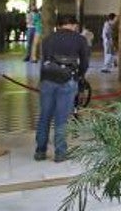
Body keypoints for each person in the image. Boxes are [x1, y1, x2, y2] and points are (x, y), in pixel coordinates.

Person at [34, 13, 90, 163]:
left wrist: (42, 80)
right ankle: (60, 153)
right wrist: (80, 77)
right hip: (67, 80)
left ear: (58, 25)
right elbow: (85, 62)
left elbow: (44, 61)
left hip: (47, 81)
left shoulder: (47, 39)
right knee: (61, 119)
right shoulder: (80, 39)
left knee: (44, 116)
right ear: (73, 25)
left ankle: (40, 151)